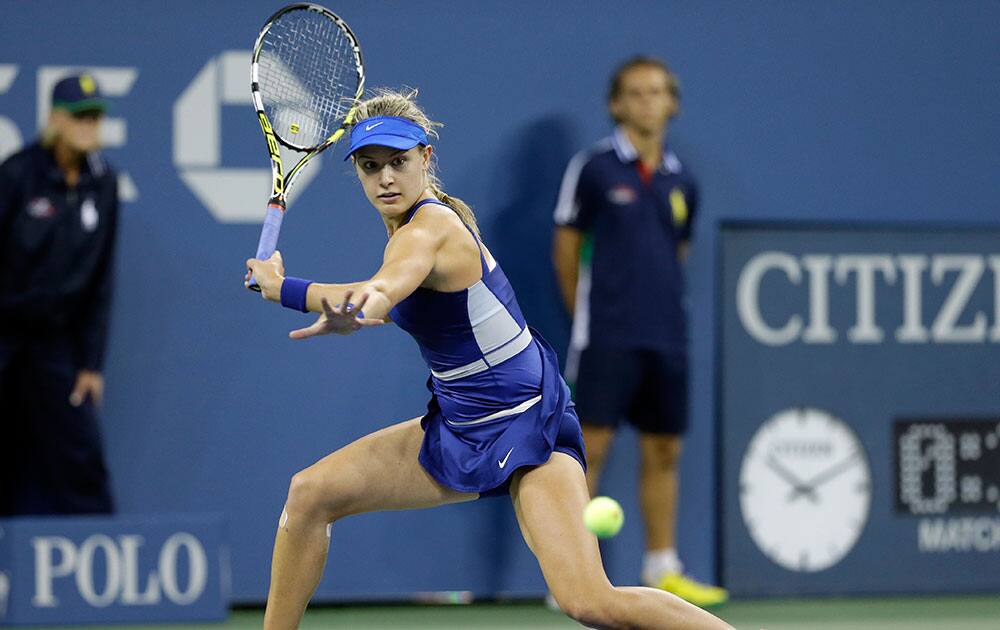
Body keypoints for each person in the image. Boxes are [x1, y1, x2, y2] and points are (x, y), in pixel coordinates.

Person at [245, 89, 732, 630]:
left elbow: (381, 290)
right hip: (460, 421)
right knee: (310, 494)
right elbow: (391, 302)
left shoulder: (431, 229)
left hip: (526, 420)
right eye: (370, 166)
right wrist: (354, 311)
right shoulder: (407, 234)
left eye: (398, 163)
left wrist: (284, 288)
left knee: (590, 601)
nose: (385, 178)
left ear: (426, 160)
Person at [551, 56, 727, 607]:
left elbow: (677, 250)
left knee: (664, 449)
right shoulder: (595, 169)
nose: (648, 101)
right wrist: (588, 315)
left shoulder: (683, 181)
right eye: (635, 92)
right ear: (616, 104)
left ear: (672, 102)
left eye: (657, 92)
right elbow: (566, 249)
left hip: (666, 335)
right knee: (589, 448)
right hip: (606, 334)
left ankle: (662, 567)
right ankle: (573, 574)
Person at [0, 74, 117, 515]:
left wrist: (91, 363)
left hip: (57, 343)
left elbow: (102, 280)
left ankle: (102, 560)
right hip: (4, 332)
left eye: (95, 116)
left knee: (80, 454)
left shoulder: (103, 183)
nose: (89, 125)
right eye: (79, 116)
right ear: (54, 119)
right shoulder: (16, 174)